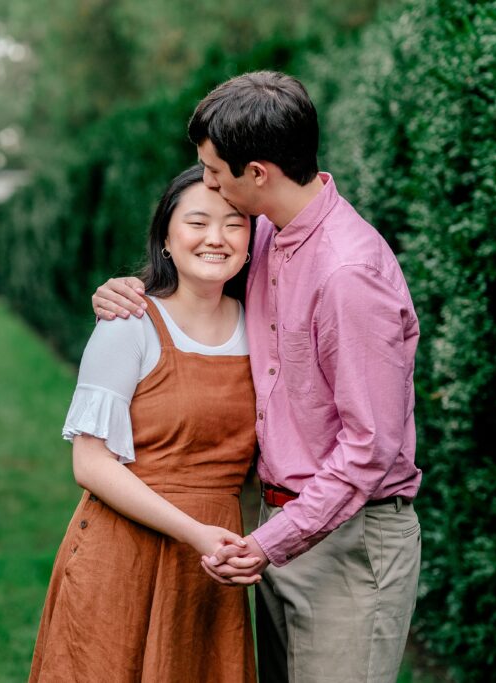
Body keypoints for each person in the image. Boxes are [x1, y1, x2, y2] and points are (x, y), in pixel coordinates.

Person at [91, 71, 423, 683]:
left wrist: (273, 542)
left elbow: (369, 447)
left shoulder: (349, 274)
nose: (210, 185)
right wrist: (121, 292)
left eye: (215, 173)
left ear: (258, 174)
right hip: (280, 527)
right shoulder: (264, 234)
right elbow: (196, 288)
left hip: (348, 540)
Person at [30, 165, 259, 683]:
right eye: (197, 222)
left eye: (234, 224)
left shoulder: (263, 326)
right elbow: (90, 463)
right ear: (166, 240)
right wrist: (195, 532)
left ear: (251, 243)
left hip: (210, 566)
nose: (216, 239)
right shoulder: (128, 324)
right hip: (123, 555)